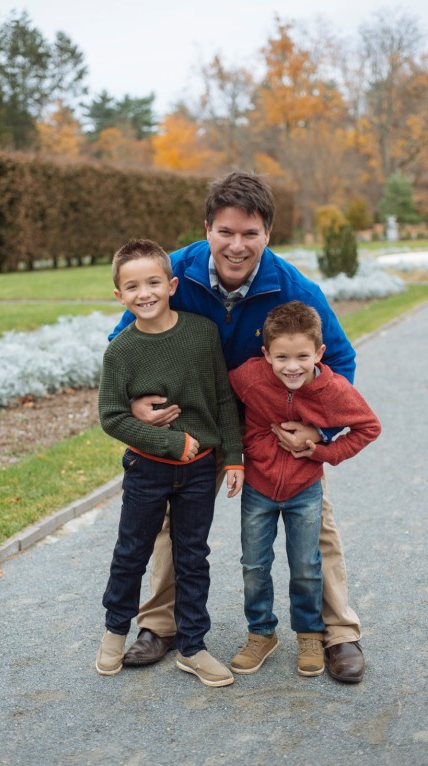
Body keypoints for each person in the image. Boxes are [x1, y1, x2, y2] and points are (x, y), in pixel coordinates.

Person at [108, 171, 368, 684]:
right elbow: (124, 342)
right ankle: (160, 625)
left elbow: (340, 360)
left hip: (277, 427)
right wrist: (133, 401)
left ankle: (339, 631)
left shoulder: (293, 288)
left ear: (268, 233)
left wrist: (318, 432)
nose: (236, 245)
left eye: (250, 233)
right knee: (169, 520)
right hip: (194, 422)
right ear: (207, 228)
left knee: (314, 521)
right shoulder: (174, 274)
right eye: (225, 231)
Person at [95, 239, 244, 688]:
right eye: (132, 286)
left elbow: (222, 398)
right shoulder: (120, 352)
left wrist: (233, 457)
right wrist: (167, 443)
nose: (144, 293)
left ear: (172, 285)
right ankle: (115, 631)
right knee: (131, 552)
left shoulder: (202, 334)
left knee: (192, 557)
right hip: (147, 470)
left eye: (153, 282)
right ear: (119, 295)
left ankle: (193, 646)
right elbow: (112, 417)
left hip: (200, 469)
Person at [227, 302, 380, 677]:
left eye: (302, 357)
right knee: (254, 565)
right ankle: (261, 633)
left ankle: (310, 635)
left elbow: (368, 427)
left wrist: (324, 452)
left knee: (307, 567)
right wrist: (244, 449)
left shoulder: (334, 390)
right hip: (259, 487)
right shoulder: (249, 377)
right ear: (266, 354)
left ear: (319, 353)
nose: (292, 367)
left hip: (305, 488)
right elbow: (220, 395)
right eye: (281, 357)